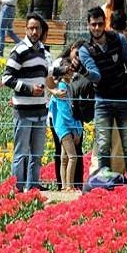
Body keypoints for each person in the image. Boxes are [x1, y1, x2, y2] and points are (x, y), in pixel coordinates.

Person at [77, 6, 127, 195]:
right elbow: (96, 76)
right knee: (103, 145)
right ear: (88, 26)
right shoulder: (85, 50)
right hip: (103, 101)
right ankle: (105, 189)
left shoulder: (118, 39)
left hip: (123, 99)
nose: (96, 28)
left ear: (104, 23)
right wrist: (84, 72)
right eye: (93, 24)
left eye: (99, 24)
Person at [1, 12, 57, 192]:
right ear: (26, 29)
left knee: (37, 153)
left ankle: (33, 187)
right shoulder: (19, 50)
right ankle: (17, 188)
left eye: (37, 28)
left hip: (41, 110)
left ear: (41, 31)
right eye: (31, 28)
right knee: (21, 152)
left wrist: (65, 69)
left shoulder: (42, 51)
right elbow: (6, 78)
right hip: (23, 111)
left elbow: (46, 74)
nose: (34, 31)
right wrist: (29, 89)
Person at [49, 58, 83, 192]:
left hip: (62, 126)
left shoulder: (65, 86)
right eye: (69, 71)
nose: (72, 74)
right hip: (64, 127)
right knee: (73, 157)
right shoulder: (62, 88)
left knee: (64, 157)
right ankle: (69, 186)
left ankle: (64, 186)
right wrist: (75, 130)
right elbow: (65, 111)